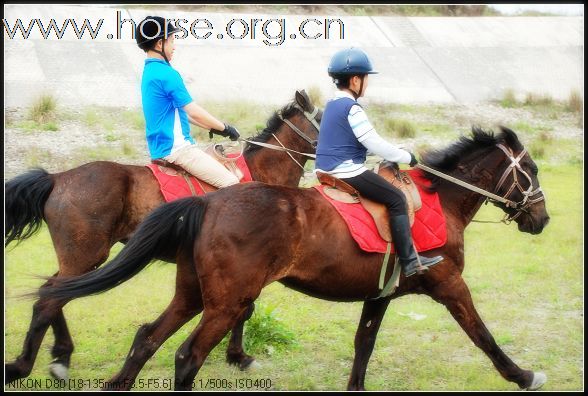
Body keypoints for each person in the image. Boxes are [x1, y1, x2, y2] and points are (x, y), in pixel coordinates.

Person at [315, 47, 443, 277]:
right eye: (365, 78)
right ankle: (409, 260)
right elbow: (372, 141)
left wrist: (390, 152)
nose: (367, 83)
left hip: (326, 168)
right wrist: (407, 157)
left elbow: (356, 142)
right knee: (396, 198)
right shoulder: (352, 108)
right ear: (355, 80)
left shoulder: (332, 104)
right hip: (346, 170)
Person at [136, 16, 241, 188]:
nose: (174, 46)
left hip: (160, 149)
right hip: (178, 151)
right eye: (171, 40)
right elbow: (193, 112)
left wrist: (215, 127)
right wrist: (226, 128)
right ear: (159, 44)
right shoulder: (167, 74)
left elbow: (181, 113)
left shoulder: (149, 72)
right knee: (233, 183)